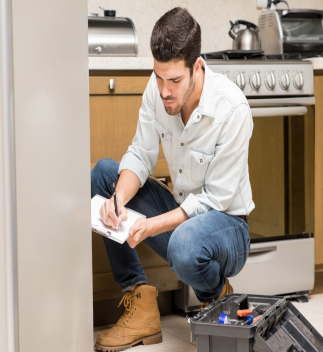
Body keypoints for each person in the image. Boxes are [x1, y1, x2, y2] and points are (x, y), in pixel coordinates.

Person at [91, 7, 254, 352]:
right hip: (182, 215)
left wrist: (150, 226)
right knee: (105, 174)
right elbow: (141, 153)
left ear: (197, 67)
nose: (164, 91)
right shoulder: (158, 88)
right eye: (159, 77)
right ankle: (140, 305)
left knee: (183, 245)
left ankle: (218, 297)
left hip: (227, 227)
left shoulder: (232, 109)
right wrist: (119, 197)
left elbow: (215, 199)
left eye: (174, 81)